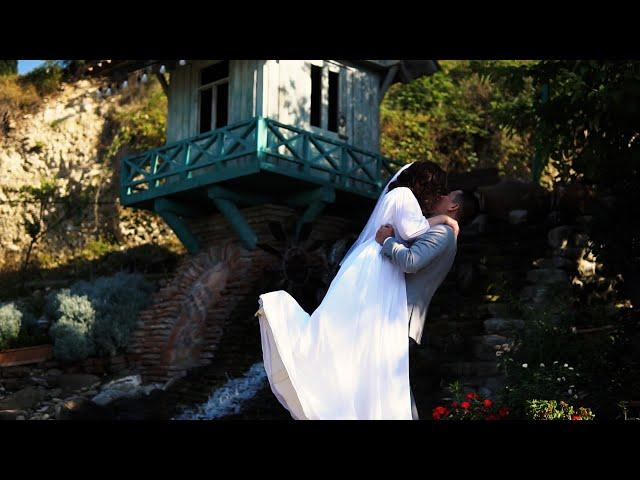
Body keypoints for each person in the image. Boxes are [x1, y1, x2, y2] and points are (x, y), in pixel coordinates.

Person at [255, 161, 457, 420]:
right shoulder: (404, 195)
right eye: (438, 189)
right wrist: (442, 219)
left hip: (372, 260)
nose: (439, 196)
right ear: (426, 184)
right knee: (371, 342)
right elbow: (413, 231)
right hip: (378, 262)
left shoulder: (398, 195)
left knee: (362, 342)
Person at [375, 188, 480, 419]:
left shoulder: (443, 233)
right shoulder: (442, 228)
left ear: (453, 207)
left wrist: (388, 241)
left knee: (390, 387)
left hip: (400, 318)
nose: (440, 196)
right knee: (390, 387)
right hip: (398, 317)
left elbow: (411, 261)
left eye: (447, 196)